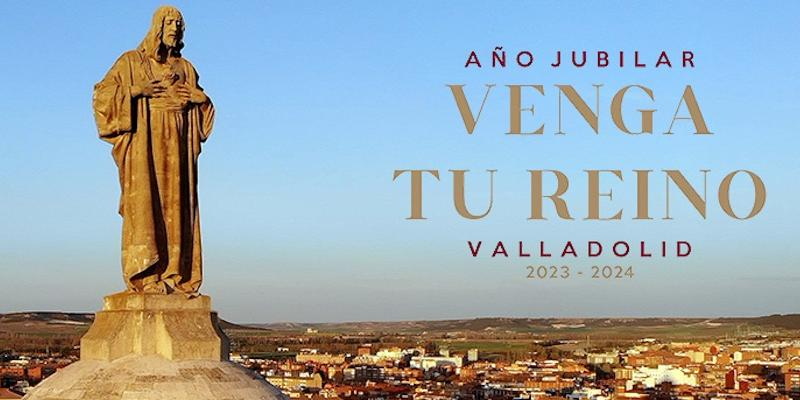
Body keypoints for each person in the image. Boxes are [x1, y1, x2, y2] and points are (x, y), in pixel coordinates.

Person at [92, 6, 214, 295]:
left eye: (179, 24)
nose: (175, 28)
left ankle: (175, 275)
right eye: (170, 22)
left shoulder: (186, 68)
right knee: (146, 206)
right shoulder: (131, 62)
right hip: (145, 142)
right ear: (157, 27)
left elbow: (202, 119)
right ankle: (147, 274)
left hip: (179, 147)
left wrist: (201, 99)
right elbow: (101, 96)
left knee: (177, 207)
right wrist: (136, 91)